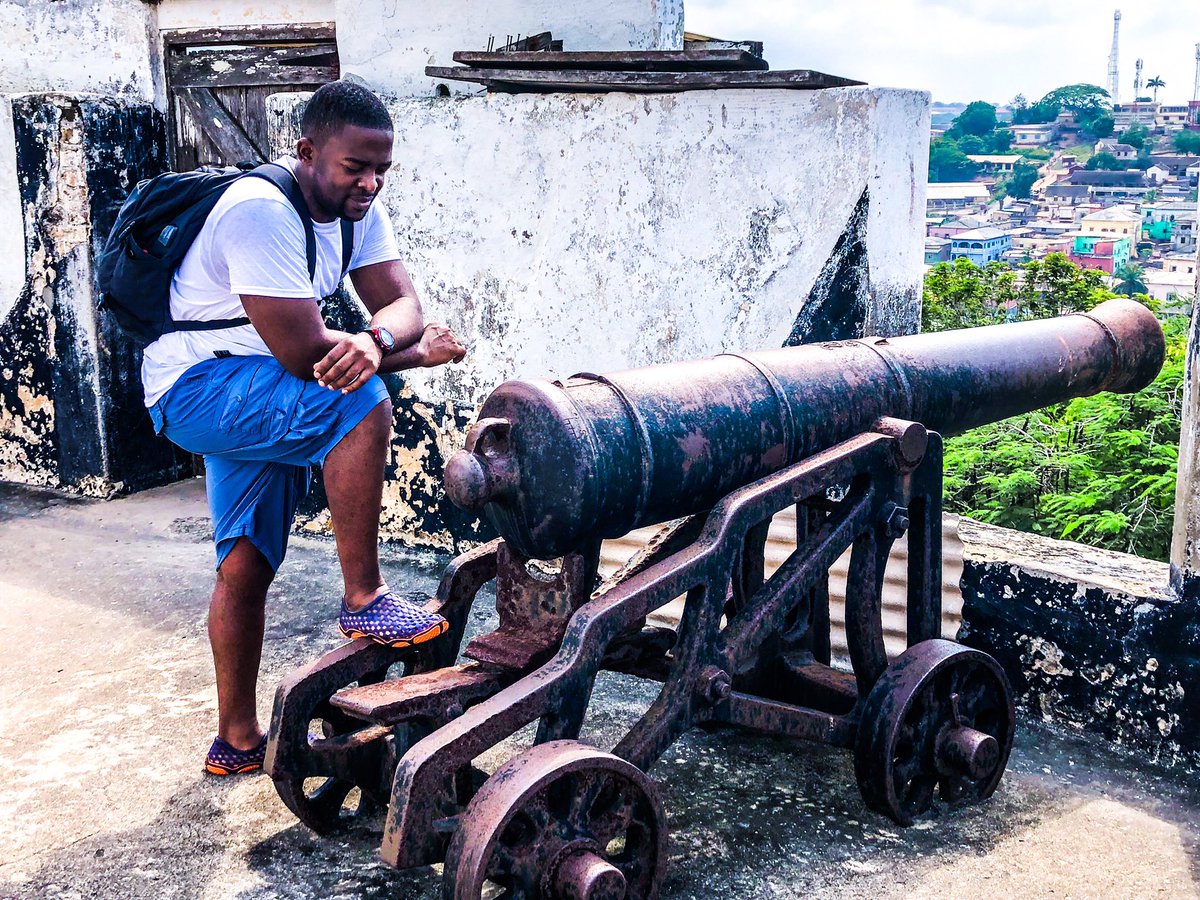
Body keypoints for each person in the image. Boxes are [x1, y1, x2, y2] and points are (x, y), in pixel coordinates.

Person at [140, 80, 466, 776]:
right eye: (356, 167)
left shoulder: (356, 211)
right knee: (360, 404)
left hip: (254, 389)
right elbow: (308, 357)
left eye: (383, 169)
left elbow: (402, 301)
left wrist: (379, 341)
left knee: (246, 563)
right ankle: (364, 598)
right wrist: (401, 354)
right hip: (196, 388)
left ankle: (235, 741)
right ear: (308, 151)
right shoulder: (261, 211)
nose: (371, 183)